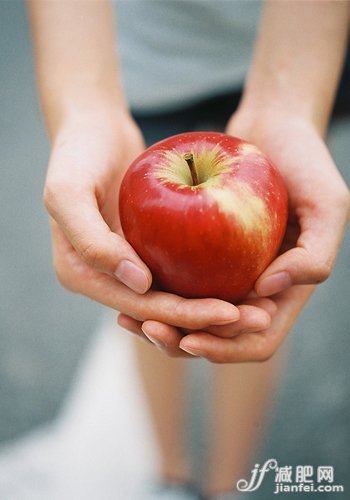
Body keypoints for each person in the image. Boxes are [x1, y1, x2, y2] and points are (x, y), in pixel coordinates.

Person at [28, 1, 350, 499]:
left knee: (249, 311)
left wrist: (290, 105)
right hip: (152, 65)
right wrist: (85, 109)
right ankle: (170, 473)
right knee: (154, 301)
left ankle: (227, 485)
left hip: (287, 55)